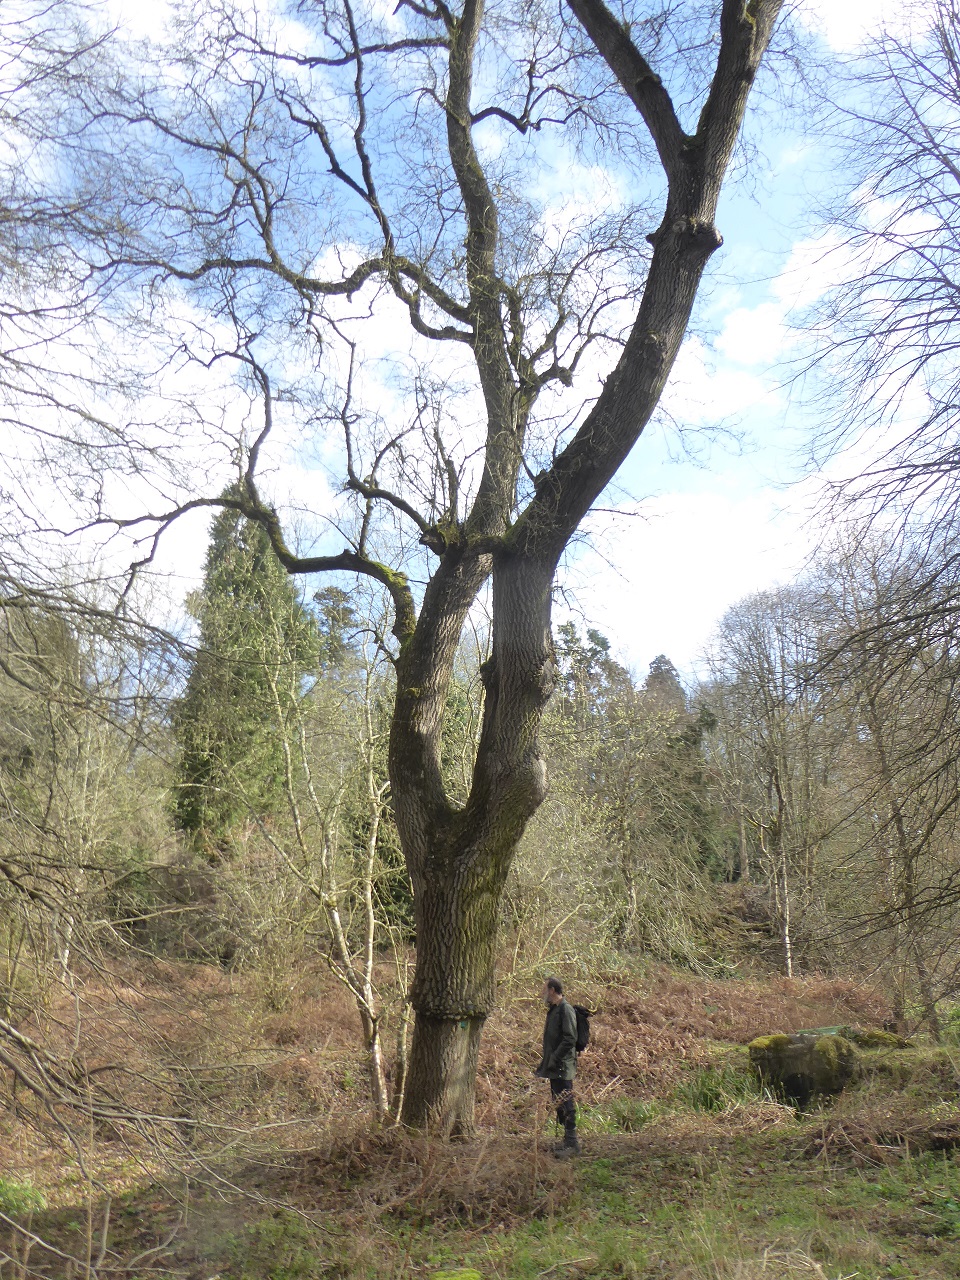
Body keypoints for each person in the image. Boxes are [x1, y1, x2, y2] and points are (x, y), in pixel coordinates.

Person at [534, 975, 581, 1156]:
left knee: (566, 1102)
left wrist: (555, 1057)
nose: (542, 992)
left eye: (544, 989)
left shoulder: (565, 1010)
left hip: (563, 1066)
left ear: (552, 990)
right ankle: (566, 1141)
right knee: (558, 1102)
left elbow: (570, 1038)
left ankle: (572, 1144)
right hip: (554, 1066)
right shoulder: (554, 1009)